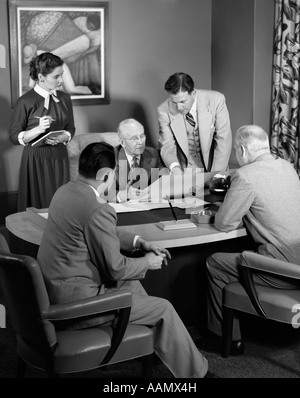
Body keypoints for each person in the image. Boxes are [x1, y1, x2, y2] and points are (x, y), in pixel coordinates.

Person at [37, 142, 210, 378]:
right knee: (164, 309)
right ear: (107, 175)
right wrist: (147, 262)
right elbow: (115, 269)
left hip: (54, 292)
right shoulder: (97, 207)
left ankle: (156, 347)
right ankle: (198, 374)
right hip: (76, 307)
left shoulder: (64, 191)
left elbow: (102, 231)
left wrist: (139, 242)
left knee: (133, 285)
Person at [196, 125, 300, 354]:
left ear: (242, 150)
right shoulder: (287, 166)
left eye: (235, 151)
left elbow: (223, 223)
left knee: (215, 262)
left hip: (283, 271)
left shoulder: (246, 176)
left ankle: (226, 339)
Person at [9, 52, 75, 212]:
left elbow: (71, 128)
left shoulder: (65, 99)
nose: (61, 80)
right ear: (41, 77)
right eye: (56, 76)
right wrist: (37, 130)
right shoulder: (25, 101)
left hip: (60, 157)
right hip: (36, 159)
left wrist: (62, 138)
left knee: (60, 206)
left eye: (62, 75)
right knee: (38, 208)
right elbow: (13, 136)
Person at [158, 72, 232, 174]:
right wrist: (175, 168)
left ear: (193, 94)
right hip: (185, 170)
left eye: (183, 102)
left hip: (215, 165)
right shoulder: (163, 110)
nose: (179, 107)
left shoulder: (216, 100)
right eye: (174, 102)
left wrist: (216, 175)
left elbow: (223, 139)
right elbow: (167, 146)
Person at [112, 118, 166, 203]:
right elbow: (101, 191)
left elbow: (165, 180)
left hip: (148, 206)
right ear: (122, 142)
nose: (140, 142)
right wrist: (122, 195)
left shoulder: (155, 154)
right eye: (134, 138)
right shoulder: (110, 157)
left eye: (142, 136)